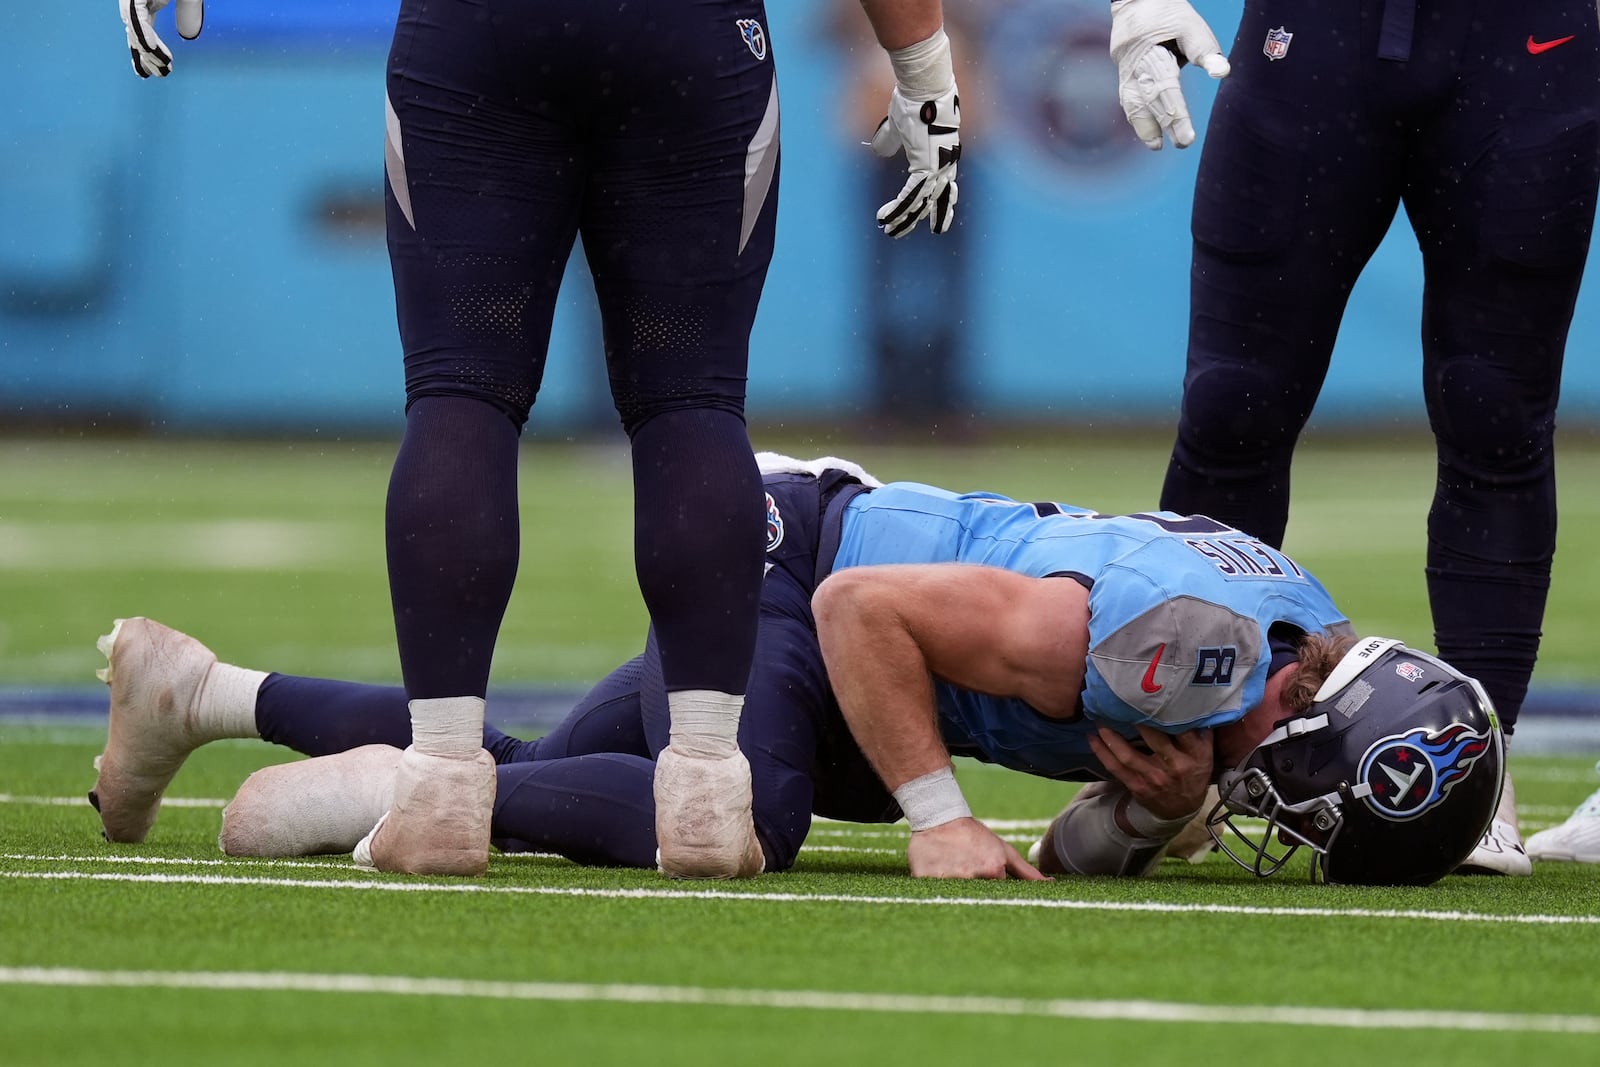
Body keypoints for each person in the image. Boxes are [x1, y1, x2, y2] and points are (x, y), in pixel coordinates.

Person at [110, 0, 964, 878]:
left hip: (485, 32)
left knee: (461, 395)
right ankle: (706, 786)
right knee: (693, 402)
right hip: (686, 38)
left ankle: (441, 784)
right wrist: (925, 67)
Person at [89, 455, 1504, 886]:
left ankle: (201, 693)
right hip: (796, 561)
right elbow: (860, 607)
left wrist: (1143, 815)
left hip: (834, 619)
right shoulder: (1185, 650)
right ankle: (411, 781)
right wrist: (945, 814)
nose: (1288, 828)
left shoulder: (1254, 663)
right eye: (1315, 812)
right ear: (1324, 727)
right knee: (733, 817)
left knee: (574, 776)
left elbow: (1073, 853)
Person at [1105, 0, 1600, 874]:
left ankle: (1481, 769)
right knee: (1233, 406)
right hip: (1316, 32)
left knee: (1496, 414)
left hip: (1527, 38)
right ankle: (1184, 739)